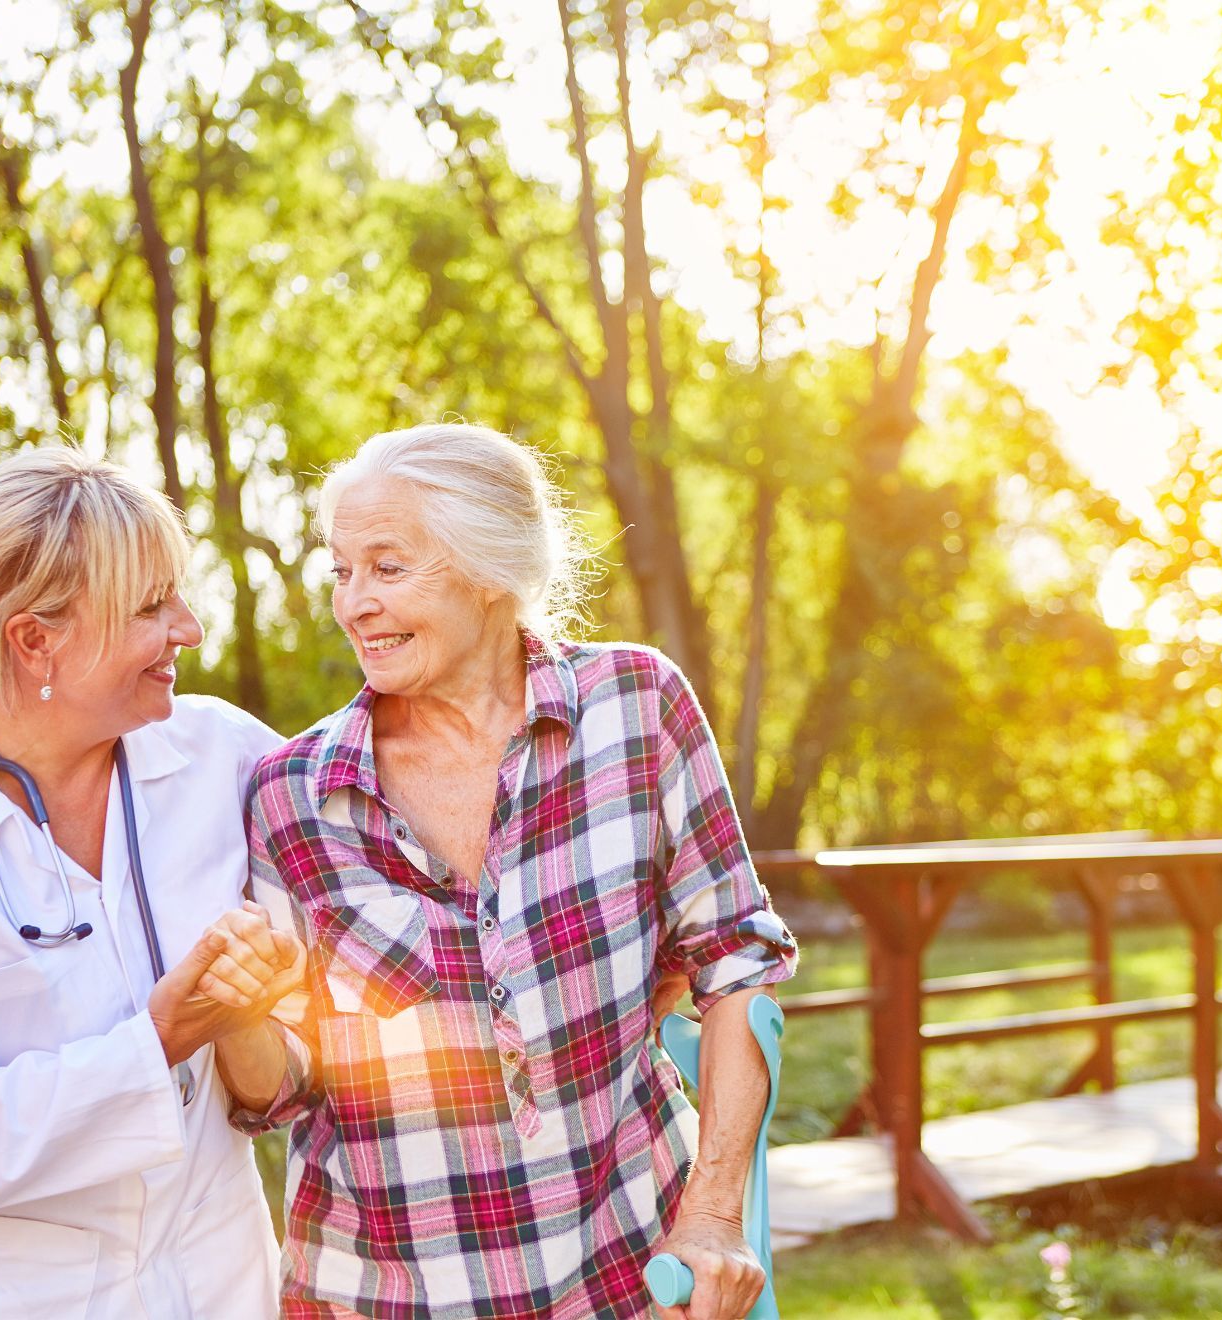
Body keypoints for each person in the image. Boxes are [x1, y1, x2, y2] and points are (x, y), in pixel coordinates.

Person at [215, 423, 799, 1320]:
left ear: (491, 567)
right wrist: (236, 1015)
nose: (354, 602)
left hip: (624, 1274)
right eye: (342, 571)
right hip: (383, 1297)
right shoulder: (293, 794)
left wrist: (715, 1216)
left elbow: (737, 966)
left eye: (388, 566)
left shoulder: (635, 709)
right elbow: (281, 1086)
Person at [0, 448, 302, 1318]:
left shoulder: (226, 756)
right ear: (35, 640)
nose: (189, 628)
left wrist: (251, 1016)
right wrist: (158, 1040)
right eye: (150, 607)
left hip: (216, 1282)